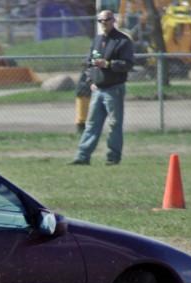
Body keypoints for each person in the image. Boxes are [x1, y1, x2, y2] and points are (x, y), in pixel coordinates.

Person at [69, 10, 134, 166]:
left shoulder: (123, 41)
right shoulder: (97, 40)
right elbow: (89, 62)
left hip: (114, 89)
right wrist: (91, 80)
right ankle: (82, 156)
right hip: (98, 89)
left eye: (107, 20)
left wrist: (109, 64)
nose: (103, 23)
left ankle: (113, 157)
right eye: (101, 21)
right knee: (91, 124)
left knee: (114, 124)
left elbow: (128, 64)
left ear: (113, 20)